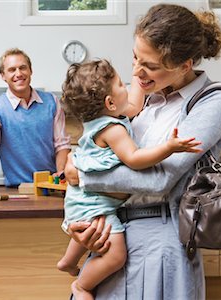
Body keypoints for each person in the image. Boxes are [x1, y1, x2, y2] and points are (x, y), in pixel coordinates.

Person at [64, 4, 221, 299]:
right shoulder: (140, 99)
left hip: (162, 241)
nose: (136, 72)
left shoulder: (215, 101)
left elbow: (159, 180)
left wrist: (83, 174)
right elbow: (98, 146)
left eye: (150, 66)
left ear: (184, 65)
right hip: (112, 233)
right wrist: (82, 223)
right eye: (135, 58)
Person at [57, 59, 202, 300]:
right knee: (115, 256)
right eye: (120, 84)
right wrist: (169, 147)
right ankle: (82, 286)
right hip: (95, 204)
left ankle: (68, 260)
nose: (128, 84)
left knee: (91, 230)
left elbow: (133, 103)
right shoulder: (113, 129)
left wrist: (139, 67)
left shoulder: (102, 120)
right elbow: (135, 159)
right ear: (110, 102)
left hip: (83, 200)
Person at [0, 48, 71, 199]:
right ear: (3, 76)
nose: (18, 74)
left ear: (30, 70)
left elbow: (61, 145)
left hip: (51, 190)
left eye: (22, 67)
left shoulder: (52, 102)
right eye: (11, 70)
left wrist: (60, 173)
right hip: (17, 192)